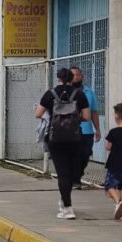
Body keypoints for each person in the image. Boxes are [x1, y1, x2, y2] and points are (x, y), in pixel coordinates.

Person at [35, 68, 90, 219]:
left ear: (58, 78)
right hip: (74, 138)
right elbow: (86, 117)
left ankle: (67, 207)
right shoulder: (79, 94)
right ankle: (65, 202)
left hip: (55, 138)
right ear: (72, 79)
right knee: (71, 172)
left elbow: (38, 114)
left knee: (62, 173)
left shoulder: (50, 94)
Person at [70, 67, 100, 188]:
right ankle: (74, 180)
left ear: (82, 77)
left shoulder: (89, 92)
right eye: (73, 75)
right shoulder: (66, 92)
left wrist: (97, 129)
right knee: (73, 155)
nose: (76, 77)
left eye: (78, 75)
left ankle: (77, 176)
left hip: (87, 130)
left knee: (85, 154)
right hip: (70, 131)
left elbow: (94, 111)